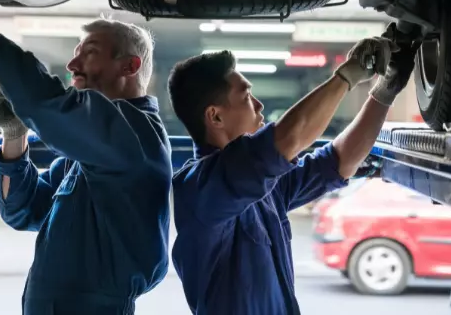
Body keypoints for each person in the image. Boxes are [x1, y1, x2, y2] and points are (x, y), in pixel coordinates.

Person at [0, 2, 173, 315]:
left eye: (89, 53)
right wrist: (14, 134)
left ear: (129, 66)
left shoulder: (135, 136)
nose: (73, 64)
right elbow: (23, 211)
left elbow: (45, 103)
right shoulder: (89, 153)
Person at [166, 24, 419, 314]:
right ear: (215, 116)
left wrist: (385, 91)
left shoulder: (263, 185)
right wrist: (348, 75)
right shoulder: (203, 187)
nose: (259, 105)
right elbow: (289, 137)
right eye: (247, 97)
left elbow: (339, 161)